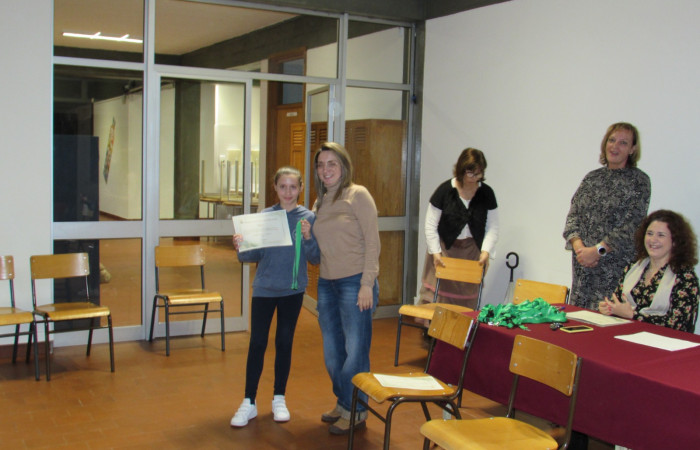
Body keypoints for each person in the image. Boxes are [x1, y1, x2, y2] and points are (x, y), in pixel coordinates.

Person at [230, 166, 320, 428]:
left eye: (293, 187)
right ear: (275, 188)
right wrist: (240, 246)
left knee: (284, 342)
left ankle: (279, 398)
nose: (288, 192)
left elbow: (315, 258)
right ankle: (249, 401)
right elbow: (252, 255)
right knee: (257, 343)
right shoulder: (265, 216)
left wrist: (308, 237)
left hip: (292, 291)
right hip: (265, 289)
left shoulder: (308, 218)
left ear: (300, 188)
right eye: (283, 187)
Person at [311, 142, 380, 435]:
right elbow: (317, 252)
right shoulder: (319, 202)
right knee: (333, 352)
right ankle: (343, 401)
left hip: (355, 282)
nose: (325, 170)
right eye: (321, 165)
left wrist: (367, 284)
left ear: (343, 166)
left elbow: (373, 242)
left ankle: (357, 410)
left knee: (355, 351)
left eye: (332, 164)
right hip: (327, 284)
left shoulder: (358, 195)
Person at [563, 122, 651, 310]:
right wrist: (580, 250)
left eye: (623, 143)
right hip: (583, 267)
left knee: (606, 320)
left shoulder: (639, 181)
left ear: (632, 149)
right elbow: (573, 217)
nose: (615, 146)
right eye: (612, 140)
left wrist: (598, 251)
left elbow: (632, 225)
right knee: (578, 319)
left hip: (614, 268)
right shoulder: (591, 178)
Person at [419, 147, 499, 309]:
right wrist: (436, 253)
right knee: (438, 302)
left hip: (471, 253)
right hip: (444, 251)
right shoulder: (445, 191)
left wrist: (485, 252)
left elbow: (493, 227)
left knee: (465, 305)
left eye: (478, 174)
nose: (474, 178)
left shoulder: (487, 193)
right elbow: (430, 225)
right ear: (462, 169)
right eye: (470, 173)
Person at [599, 210, 699, 332]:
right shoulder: (633, 267)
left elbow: (678, 325)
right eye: (650, 233)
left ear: (675, 241)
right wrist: (610, 308)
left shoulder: (685, 277)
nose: (653, 240)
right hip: (626, 333)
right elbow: (618, 303)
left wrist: (633, 316)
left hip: (663, 340)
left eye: (661, 235)